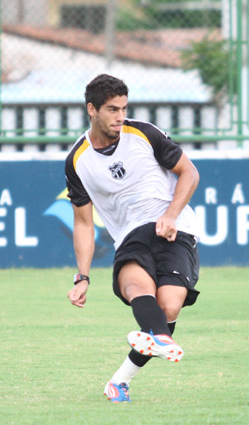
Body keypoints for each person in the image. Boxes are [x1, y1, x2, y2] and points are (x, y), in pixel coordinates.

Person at [65, 74, 201, 403]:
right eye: (112, 110)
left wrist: (170, 214)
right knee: (141, 291)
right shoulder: (77, 161)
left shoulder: (144, 133)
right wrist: (82, 275)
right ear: (92, 110)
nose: (120, 117)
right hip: (130, 237)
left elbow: (190, 172)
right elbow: (83, 223)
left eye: (124, 108)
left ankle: (121, 379)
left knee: (168, 306)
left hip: (175, 228)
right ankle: (160, 337)